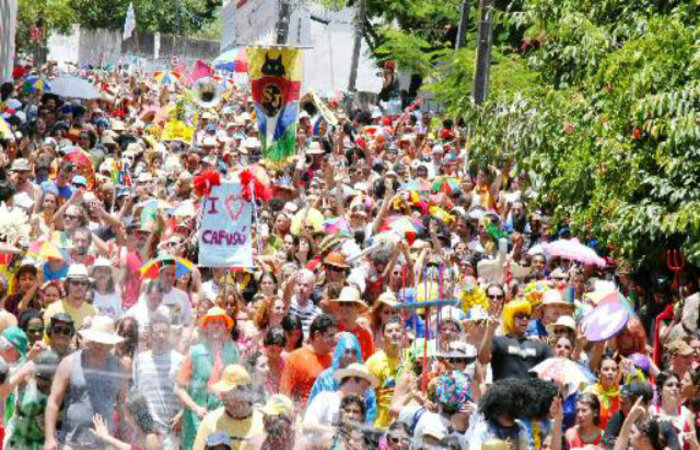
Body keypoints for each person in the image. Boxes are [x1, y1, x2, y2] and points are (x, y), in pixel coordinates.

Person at [43, 316, 127, 450]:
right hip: (72, 442)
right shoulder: (69, 362)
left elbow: (122, 402)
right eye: (96, 340)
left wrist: (125, 429)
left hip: (106, 444)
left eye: (103, 342)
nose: (99, 345)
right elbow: (54, 401)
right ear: (90, 339)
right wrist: (49, 438)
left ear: (111, 343)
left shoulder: (119, 367)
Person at [176, 307, 239, 450]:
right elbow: (179, 388)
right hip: (195, 419)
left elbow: (236, 386)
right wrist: (195, 408)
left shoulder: (233, 352)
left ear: (226, 327)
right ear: (206, 327)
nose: (216, 326)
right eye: (213, 322)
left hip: (222, 418)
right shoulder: (195, 352)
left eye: (220, 322)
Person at [132, 313, 184, 450]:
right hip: (147, 430)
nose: (161, 336)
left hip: (173, 431)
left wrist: (182, 414)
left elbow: (190, 392)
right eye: (157, 332)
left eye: (165, 332)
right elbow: (133, 394)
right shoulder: (140, 360)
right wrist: (145, 426)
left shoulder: (180, 360)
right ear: (150, 335)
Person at [307, 332, 378, 423]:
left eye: (354, 352)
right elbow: (312, 411)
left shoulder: (363, 379)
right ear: (339, 352)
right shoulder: (325, 379)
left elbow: (370, 413)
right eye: (347, 351)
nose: (350, 356)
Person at [192, 364, 265, 450]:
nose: (222, 397)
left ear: (244, 392)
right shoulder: (211, 421)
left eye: (227, 391)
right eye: (222, 391)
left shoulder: (263, 423)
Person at [479, 299, 553, 380]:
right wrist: (490, 330)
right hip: (504, 391)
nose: (525, 319)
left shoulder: (536, 344)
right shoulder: (499, 342)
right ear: (510, 318)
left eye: (527, 316)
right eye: (520, 316)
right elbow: (483, 359)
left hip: (529, 391)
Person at [303, 362, 378, 434]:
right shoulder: (326, 398)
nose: (364, 393)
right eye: (363, 387)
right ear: (351, 381)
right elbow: (307, 425)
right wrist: (334, 431)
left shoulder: (358, 408)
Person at [280, 314, 336, 408]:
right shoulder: (296, 357)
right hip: (302, 416)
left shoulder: (334, 359)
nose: (334, 340)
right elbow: (284, 393)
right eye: (330, 336)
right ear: (317, 335)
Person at [365, 316, 404, 429]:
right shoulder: (373, 362)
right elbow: (366, 394)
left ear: (402, 334)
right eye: (389, 331)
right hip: (380, 425)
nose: (394, 333)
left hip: (403, 425)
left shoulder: (408, 361)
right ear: (382, 337)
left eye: (397, 330)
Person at [91, 391, 162, 450]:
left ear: (136, 416)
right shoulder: (134, 433)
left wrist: (107, 437)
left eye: (128, 415)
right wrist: (106, 437)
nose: (125, 419)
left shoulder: (151, 438)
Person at [43, 263, 96, 330]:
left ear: (87, 286)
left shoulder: (93, 311)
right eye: (75, 283)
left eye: (83, 283)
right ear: (67, 284)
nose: (80, 286)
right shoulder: (53, 309)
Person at [328, 286, 374, 361]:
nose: (344, 307)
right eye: (341, 304)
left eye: (348, 304)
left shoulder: (365, 334)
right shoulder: (332, 329)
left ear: (357, 307)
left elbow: (369, 361)